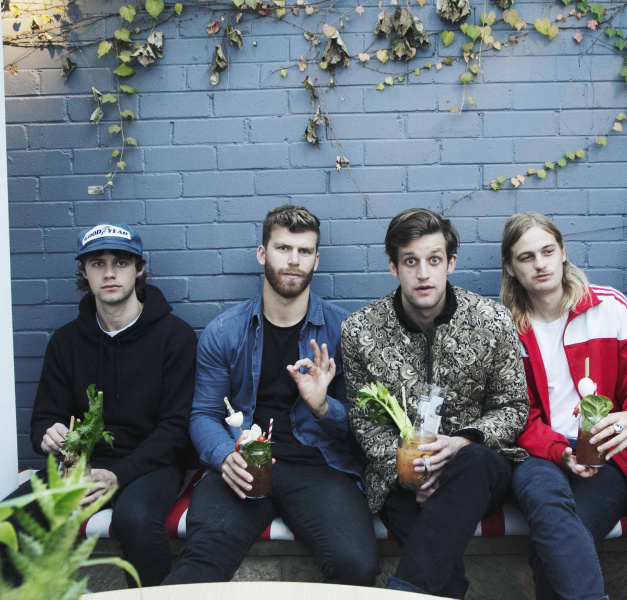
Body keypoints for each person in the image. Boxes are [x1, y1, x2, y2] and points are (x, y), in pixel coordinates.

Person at [163, 206, 377, 587]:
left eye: (304, 251)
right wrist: (223, 456)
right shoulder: (224, 332)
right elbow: (202, 414)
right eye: (283, 248)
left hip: (318, 468)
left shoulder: (344, 332)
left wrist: (323, 406)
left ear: (316, 260)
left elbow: (362, 425)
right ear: (262, 254)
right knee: (199, 568)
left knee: (356, 564)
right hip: (243, 464)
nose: (294, 260)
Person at [343, 208, 529, 598]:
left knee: (473, 461)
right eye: (410, 261)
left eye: (434, 259)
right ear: (393, 267)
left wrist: (461, 442)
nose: (423, 273)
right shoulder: (359, 330)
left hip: (478, 471)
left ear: (451, 263)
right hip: (400, 479)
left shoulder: (492, 320)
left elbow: (513, 406)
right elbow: (365, 423)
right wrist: (412, 473)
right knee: (444, 577)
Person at [2, 223, 198, 588]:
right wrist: (48, 435)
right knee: (6, 522)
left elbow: (175, 430)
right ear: (84, 273)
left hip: (150, 465)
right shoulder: (66, 342)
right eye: (97, 263)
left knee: (136, 520)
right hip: (81, 468)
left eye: (121, 262)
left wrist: (117, 475)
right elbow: (43, 418)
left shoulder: (175, 337)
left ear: (139, 269)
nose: (109, 273)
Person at [500, 212, 627, 600]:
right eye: (526, 257)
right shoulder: (505, 328)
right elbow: (516, 414)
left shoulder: (609, 307)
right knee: (548, 510)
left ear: (563, 252)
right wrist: (559, 451)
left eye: (547, 251)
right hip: (538, 456)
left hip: (606, 454)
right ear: (510, 267)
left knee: (555, 547)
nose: (540, 264)